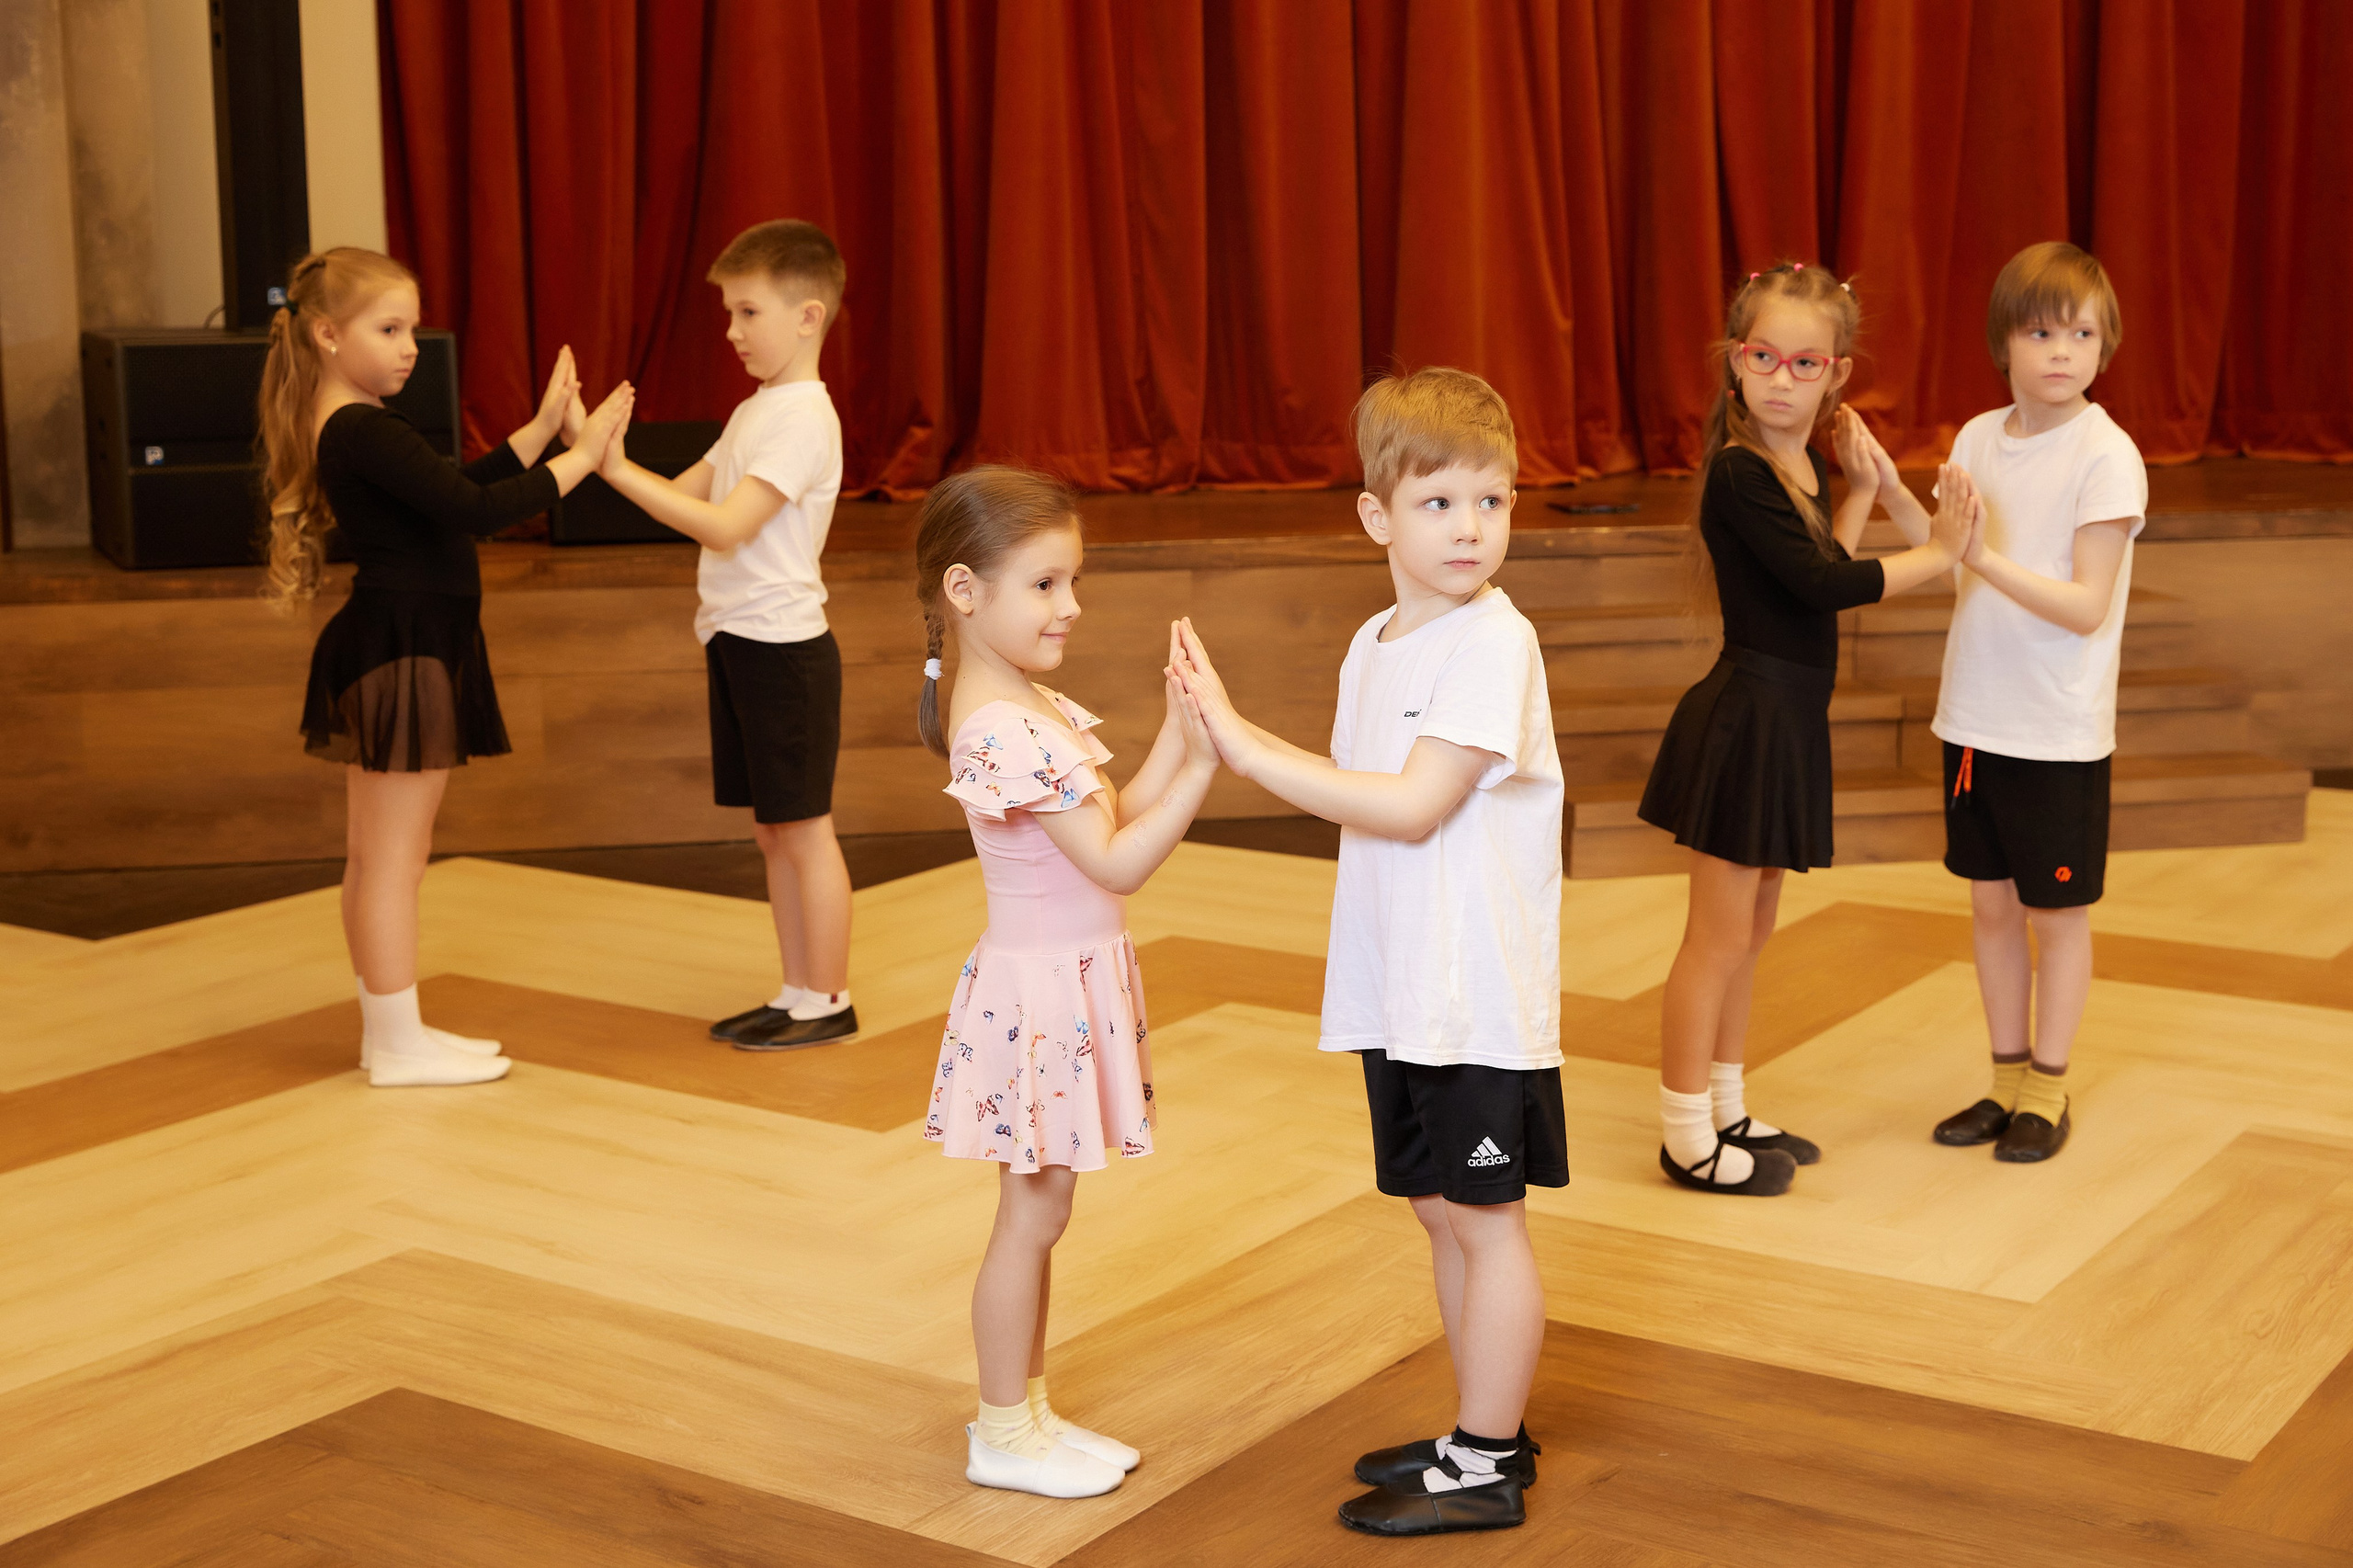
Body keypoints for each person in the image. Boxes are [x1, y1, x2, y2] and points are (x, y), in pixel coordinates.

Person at [1172, 368, 1562, 1538]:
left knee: (1485, 1219)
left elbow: (1408, 805)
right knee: (1439, 1209)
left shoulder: (1496, 642)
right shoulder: (1376, 639)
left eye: (1490, 501)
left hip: (1475, 991)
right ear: (1375, 516)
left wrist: (1240, 744)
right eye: (1439, 502)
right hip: (1404, 989)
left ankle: (1489, 1455)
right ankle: (1470, 1431)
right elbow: (1357, 798)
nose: (1470, 528)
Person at [1639, 262, 1979, 1193]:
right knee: (1713, 941)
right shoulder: (1739, 473)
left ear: (1835, 374)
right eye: (1764, 358)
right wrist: (1939, 551)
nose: (1782, 379)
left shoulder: (1795, 462)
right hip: (1744, 722)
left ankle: (1726, 1102)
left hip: (1784, 724)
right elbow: (1826, 585)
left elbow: (1818, 563)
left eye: (1804, 363)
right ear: (1734, 362)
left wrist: (1863, 489)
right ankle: (1682, 1133)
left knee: (1750, 936)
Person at [915, 467, 1221, 1500]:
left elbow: (1108, 811)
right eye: (1043, 584)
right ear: (965, 591)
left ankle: (1027, 1413)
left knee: (1042, 1213)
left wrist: (1181, 727)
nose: (1070, 604)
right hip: (1041, 995)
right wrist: (1203, 769)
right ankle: (1001, 1426)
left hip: (1063, 979)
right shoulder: (997, 724)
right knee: (1030, 1217)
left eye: (1071, 580)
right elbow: (1119, 861)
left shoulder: (1027, 702)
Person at [260, 246, 631, 1086]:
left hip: (400, 640)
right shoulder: (361, 425)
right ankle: (395, 1044)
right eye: (388, 329)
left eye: (413, 331)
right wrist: (586, 454)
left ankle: (391, 1031)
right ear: (326, 334)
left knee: (379, 857)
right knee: (393, 861)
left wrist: (539, 434)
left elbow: (447, 498)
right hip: (404, 645)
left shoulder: (353, 424)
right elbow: (477, 511)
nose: (409, 348)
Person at [1859, 243, 2145, 1164]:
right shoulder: (1980, 438)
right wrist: (1885, 487)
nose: (2061, 350)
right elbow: (1949, 554)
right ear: (2004, 343)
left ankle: (2049, 1090)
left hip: (2056, 729)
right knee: (1988, 908)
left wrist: (1980, 556)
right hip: (1974, 718)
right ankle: (2003, 1077)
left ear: (2103, 348)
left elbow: (2086, 604)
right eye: (2039, 331)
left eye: (2081, 332)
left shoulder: (2107, 457)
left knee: (2053, 913)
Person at [597, 220, 857, 1051]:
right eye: (730, 313)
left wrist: (613, 466)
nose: (732, 331)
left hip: (785, 651)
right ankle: (796, 990)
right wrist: (604, 456)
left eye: (748, 313)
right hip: (741, 640)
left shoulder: (802, 418)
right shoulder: (758, 410)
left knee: (804, 826)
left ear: (808, 317)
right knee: (773, 827)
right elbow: (686, 493)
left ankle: (830, 999)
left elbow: (722, 526)